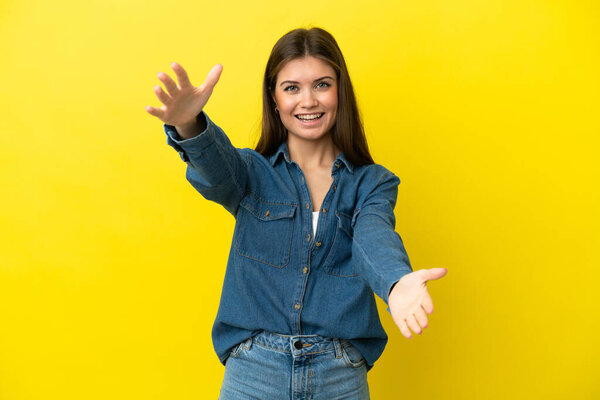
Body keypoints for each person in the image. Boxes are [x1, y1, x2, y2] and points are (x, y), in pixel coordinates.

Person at [145, 27, 447, 400]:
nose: (308, 101)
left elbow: (374, 235)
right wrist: (189, 125)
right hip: (254, 374)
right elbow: (215, 169)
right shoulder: (250, 173)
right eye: (291, 88)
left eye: (322, 85)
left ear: (341, 93)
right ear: (274, 98)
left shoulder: (372, 183)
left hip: (339, 378)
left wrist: (395, 283)